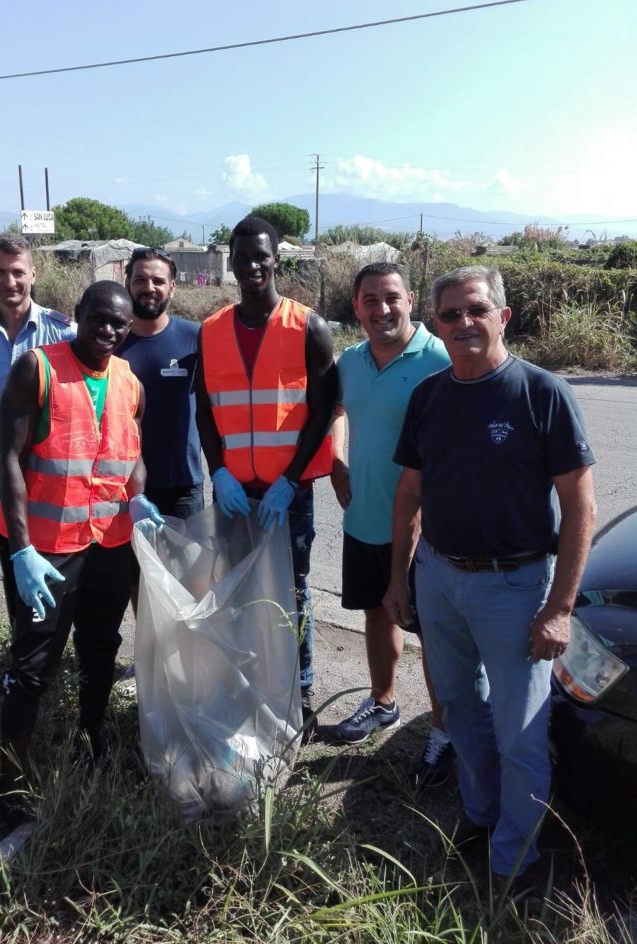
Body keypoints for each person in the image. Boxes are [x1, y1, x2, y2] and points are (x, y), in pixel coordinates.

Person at [383, 265, 597, 879]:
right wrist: (400, 577)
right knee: (457, 706)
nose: (463, 323)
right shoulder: (429, 396)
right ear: (436, 325)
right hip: (440, 576)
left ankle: (514, 863)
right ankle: (481, 815)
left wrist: (559, 607)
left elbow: (581, 505)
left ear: (502, 317)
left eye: (476, 310)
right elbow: (409, 494)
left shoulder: (541, 392)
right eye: (449, 315)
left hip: (516, 585)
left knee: (520, 730)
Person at [0, 280, 162, 845]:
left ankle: (92, 737)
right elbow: (8, 462)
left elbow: (130, 454)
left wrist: (139, 498)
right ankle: (8, 793)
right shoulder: (36, 369)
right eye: (98, 320)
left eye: (120, 322)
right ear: (77, 317)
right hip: (48, 551)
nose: (109, 331)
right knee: (32, 667)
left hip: (109, 547)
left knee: (99, 648)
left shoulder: (130, 381)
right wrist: (20, 550)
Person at [196, 215, 337, 731]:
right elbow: (204, 411)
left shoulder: (308, 326)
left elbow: (323, 411)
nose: (252, 265)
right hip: (234, 490)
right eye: (242, 256)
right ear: (230, 262)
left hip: (287, 492)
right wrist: (219, 472)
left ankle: (299, 693)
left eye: (261, 255)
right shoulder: (211, 331)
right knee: (238, 589)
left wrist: (291, 478)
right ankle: (248, 684)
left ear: (277, 259)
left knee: (293, 591)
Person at [330, 261, 455, 789]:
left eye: (392, 298)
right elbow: (337, 409)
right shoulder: (350, 361)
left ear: (411, 301)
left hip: (424, 529)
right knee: (378, 616)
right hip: (364, 519)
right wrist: (336, 460)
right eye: (370, 300)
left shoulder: (440, 359)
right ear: (355, 307)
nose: (382, 309)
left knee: (434, 635)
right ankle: (382, 703)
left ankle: (444, 733)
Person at [0, 234, 75, 625]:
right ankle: (24, 648)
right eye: (0, 272)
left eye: (18, 272)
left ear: (33, 274)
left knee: (58, 558)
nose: (10, 281)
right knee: (14, 562)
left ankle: (53, 648)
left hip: (50, 469)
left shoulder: (63, 332)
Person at [116, 247, 203, 521]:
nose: (149, 287)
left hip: (183, 487)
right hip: (120, 486)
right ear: (127, 283)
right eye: (140, 280)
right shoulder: (110, 342)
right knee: (126, 566)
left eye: (158, 281)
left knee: (183, 566)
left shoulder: (196, 338)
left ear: (173, 287)